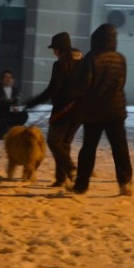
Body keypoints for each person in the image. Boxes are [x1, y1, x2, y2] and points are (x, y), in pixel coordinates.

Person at [71, 23, 133, 196]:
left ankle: (81, 185)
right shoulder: (120, 58)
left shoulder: (92, 58)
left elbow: (85, 83)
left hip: (94, 110)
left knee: (88, 149)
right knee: (120, 147)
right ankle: (125, 182)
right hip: (115, 109)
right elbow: (121, 82)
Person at [25, 32, 83, 187]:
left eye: (54, 48)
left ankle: (70, 169)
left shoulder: (60, 65)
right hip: (79, 110)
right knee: (64, 144)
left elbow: (52, 90)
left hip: (63, 110)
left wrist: (32, 102)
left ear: (59, 49)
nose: (53, 52)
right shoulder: (82, 62)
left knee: (54, 141)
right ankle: (61, 178)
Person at [0, 70, 26, 139]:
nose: (8, 79)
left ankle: (15, 131)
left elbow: (17, 103)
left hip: (11, 113)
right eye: (6, 77)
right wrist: (8, 104)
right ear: (2, 79)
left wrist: (18, 108)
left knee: (23, 113)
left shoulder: (15, 90)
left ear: (13, 80)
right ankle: (1, 132)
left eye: (10, 78)